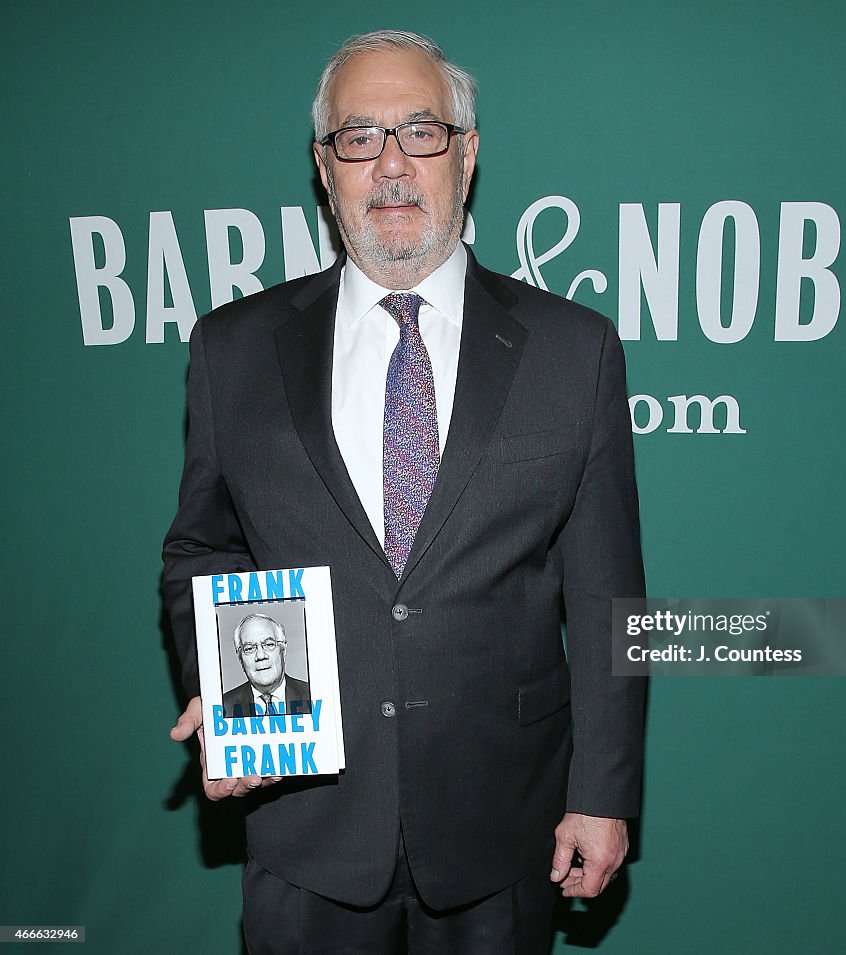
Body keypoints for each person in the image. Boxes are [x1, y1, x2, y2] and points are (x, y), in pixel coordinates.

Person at [163, 29, 645, 953]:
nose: (390, 164)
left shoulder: (572, 349)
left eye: (420, 131)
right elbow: (202, 547)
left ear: (466, 153)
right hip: (306, 828)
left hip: (502, 826)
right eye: (359, 136)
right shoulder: (232, 349)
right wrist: (231, 701)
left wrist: (603, 791)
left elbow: (607, 596)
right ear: (324, 164)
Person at [221, 613, 312, 717]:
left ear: (283, 650)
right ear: (240, 658)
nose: (260, 655)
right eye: (249, 648)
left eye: (269, 644)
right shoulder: (224, 708)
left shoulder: (313, 696)